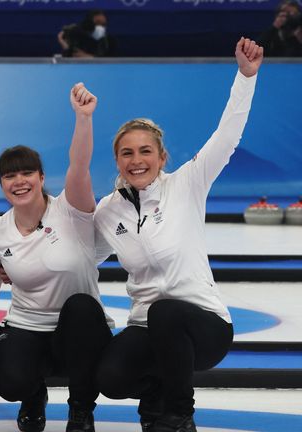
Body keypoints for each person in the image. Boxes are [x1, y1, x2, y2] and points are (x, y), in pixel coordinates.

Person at [93, 38, 264, 432]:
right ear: (117, 160)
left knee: (166, 310)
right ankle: (155, 390)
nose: (137, 161)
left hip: (203, 327)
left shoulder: (187, 184)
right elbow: (83, 254)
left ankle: (179, 415)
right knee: (111, 379)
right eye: (127, 153)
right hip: (147, 328)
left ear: (162, 157)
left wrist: (246, 77)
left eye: (145, 151)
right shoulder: (108, 210)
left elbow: (228, 136)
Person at [0, 84, 114, 432]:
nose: (19, 181)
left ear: (40, 177)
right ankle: (32, 394)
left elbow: (79, 165)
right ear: (2, 184)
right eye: (9, 176)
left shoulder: (72, 210)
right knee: (9, 381)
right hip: (27, 327)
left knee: (82, 307)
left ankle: (81, 409)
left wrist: (83, 118)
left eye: (26, 173)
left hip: (77, 333)